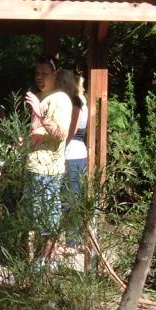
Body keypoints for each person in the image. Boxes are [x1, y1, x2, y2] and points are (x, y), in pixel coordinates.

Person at [24, 55, 73, 265]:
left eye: (44, 73)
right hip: (34, 165)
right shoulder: (42, 97)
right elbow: (39, 133)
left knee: (47, 216)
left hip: (49, 168)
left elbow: (61, 133)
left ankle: (48, 261)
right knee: (37, 216)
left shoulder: (60, 99)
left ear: (55, 74)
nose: (40, 77)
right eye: (37, 73)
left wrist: (38, 112)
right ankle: (41, 260)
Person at [58, 66, 88, 250]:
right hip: (73, 153)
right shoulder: (73, 101)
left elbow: (72, 131)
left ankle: (73, 240)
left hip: (72, 154)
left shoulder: (75, 102)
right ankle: (69, 238)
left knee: (72, 197)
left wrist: (59, 149)